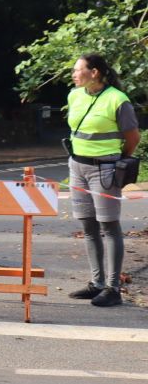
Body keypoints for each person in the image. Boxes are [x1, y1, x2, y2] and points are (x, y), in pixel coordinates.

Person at [65, 53, 141, 307]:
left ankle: (113, 287)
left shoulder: (118, 100)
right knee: (88, 226)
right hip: (77, 167)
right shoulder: (75, 95)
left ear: (94, 72)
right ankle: (96, 283)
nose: (74, 74)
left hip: (105, 169)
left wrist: (120, 160)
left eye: (78, 70)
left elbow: (133, 137)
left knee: (109, 226)